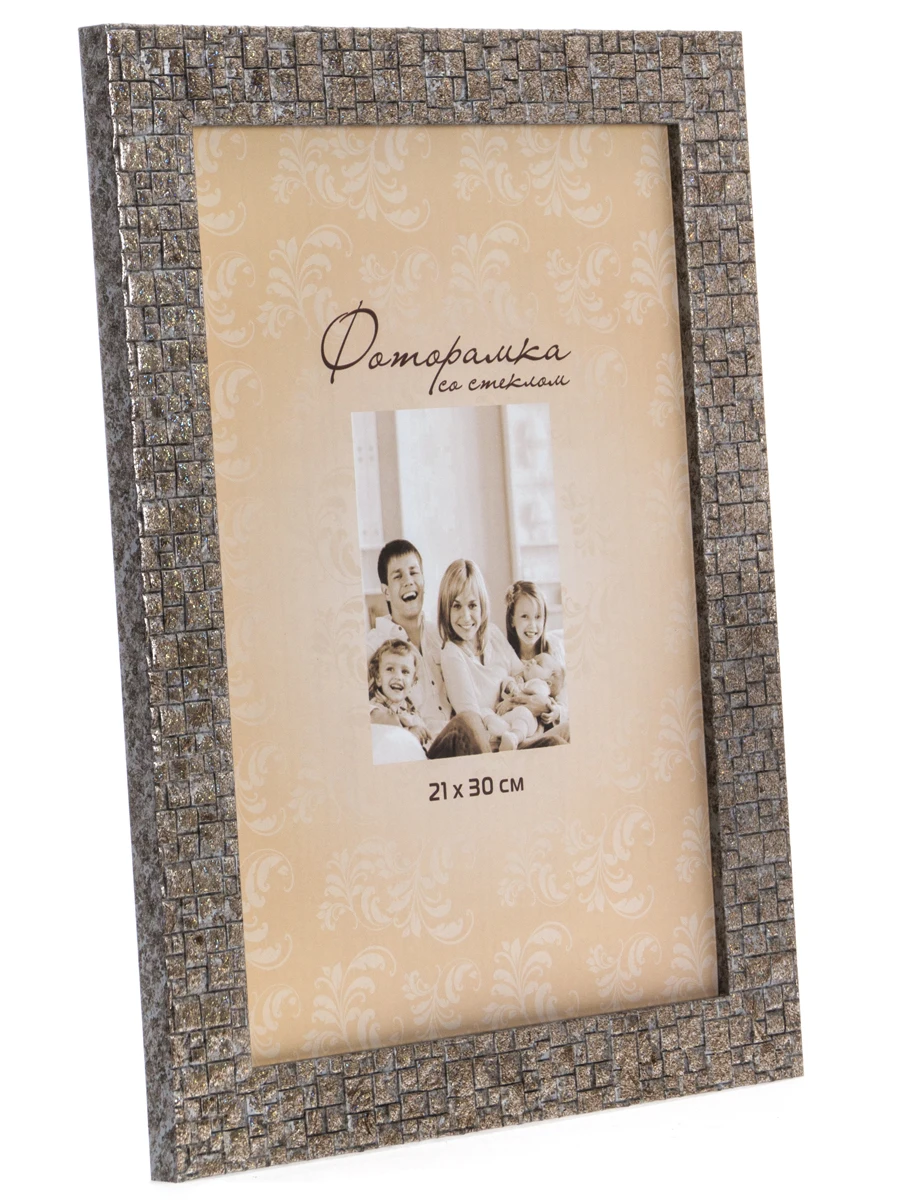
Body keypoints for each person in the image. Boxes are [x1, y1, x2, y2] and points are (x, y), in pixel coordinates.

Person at [366, 540, 491, 759]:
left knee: (553, 740)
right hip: (423, 750)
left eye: (414, 573)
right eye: (398, 576)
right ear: (386, 591)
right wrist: (386, 718)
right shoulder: (374, 644)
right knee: (468, 720)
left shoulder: (443, 633)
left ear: (423, 581)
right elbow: (350, 704)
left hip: (461, 743)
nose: (408, 581)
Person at [438, 559, 559, 752]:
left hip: (522, 730)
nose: (466, 616)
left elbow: (524, 676)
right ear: (446, 609)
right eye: (456, 606)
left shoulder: (493, 634)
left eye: (472, 605)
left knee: (563, 737)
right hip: (496, 743)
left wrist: (543, 703)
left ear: (482, 605)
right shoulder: (452, 654)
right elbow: (472, 725)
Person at [504, 581, 570, 736]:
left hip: (552, 727)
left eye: (538, 617)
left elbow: (567, 703)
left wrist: (552, 709)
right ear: (512, 620)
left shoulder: (553, 650)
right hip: (521, 728)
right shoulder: (507, 658)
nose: (532, 625)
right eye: (525, 616)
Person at [368, 638, 431, 750]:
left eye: (405, 672)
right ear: (378, 678)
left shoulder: (410, 709)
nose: (398, 677)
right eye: (390, 669)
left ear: (413, 682)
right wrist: (409, 733)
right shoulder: (374, 709)